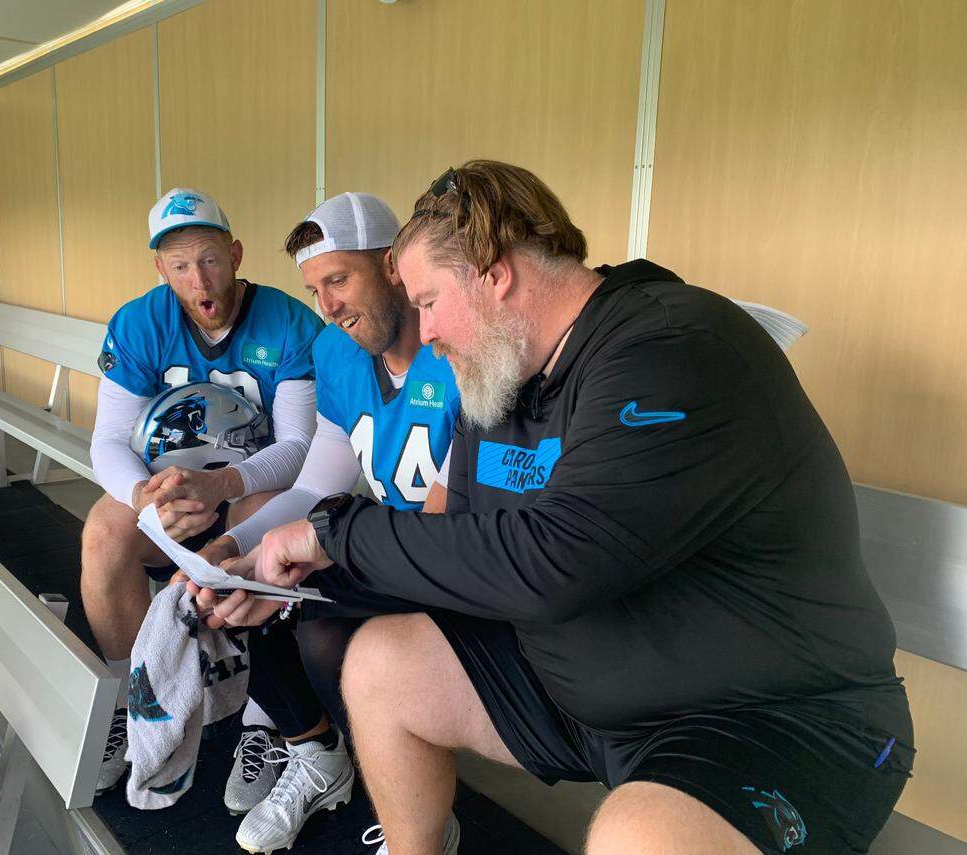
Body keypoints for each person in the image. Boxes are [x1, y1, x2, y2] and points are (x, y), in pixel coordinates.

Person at [206, 161, 914, 855]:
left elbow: (554, 560)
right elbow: (460, 541)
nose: (426, 332)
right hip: (584, 684)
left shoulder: (672, 345)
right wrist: (293, 580)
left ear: (494, 272)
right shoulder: (503, 370)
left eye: (427, 302)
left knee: (637, 838)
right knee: (380, 666)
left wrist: (335, 531)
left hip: (763, 715)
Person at [178, 192, 461, 854]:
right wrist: (232, 544)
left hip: (453, 552)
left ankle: (426, 812)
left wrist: (320, 553)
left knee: (321, 625)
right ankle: (319, 756)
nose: (326, 306)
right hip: (390, 544)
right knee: (247, 591)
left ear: (393, 266)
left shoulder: (454, 346)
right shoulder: (336, 352)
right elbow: (315, 483)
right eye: (314, 288)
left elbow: (446, 520)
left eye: (338, 280)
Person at [81, 187, 323, 792]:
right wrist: (144, 499)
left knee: (270, 517)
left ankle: (267, 719)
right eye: (182, 265)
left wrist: (221, 486)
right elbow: (108, 440)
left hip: (247, 485)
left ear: (236, 254)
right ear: (161, 268)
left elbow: (297, 449)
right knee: (105, 534)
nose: (199, 278)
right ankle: (144, 697)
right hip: (172, 489)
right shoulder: (139, 322)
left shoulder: (290, 321)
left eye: (211, 259)